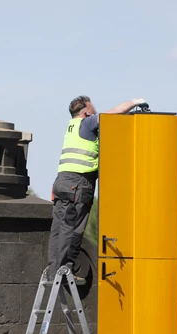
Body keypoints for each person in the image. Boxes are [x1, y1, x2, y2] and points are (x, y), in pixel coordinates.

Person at [45, 95, 148, 284]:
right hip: (77, 184)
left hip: (62, 181)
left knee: (58, 228)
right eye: (94, 112)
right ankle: (63, 271)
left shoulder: (72, 127)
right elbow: (112, 114)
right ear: (85, 113)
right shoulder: (86, 124)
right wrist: (135, 103)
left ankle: (53, 271)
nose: (97, 115)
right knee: (73, 228)